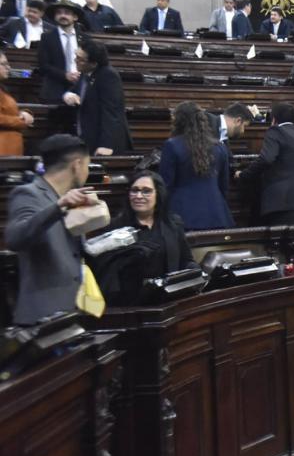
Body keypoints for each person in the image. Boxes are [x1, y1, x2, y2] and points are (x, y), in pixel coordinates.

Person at [5, 135, 99, 324]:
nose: (87, 172)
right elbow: (15, 238)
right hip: (42, 317)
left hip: (70, 313)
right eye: (88, 166)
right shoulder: (28, 193)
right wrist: (57, 207)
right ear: (77, 165)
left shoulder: (67, 199)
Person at [237, 102, 294, 226]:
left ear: (273, 120)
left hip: (285, 203)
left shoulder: (275, 131)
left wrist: (243, 175)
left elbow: (266, 159)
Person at [107, 170, 199, 283]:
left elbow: (186, 260)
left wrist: (196, 272)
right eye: (134, 190)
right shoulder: (116, 226)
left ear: (158, 194)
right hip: (133, 296)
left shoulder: (173, 223)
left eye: (146, 191)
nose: (138, 196)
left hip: (169, 293)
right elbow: (110, 273)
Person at [159, 102, 234, 231]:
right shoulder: (220, 147)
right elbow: (224, 186)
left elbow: (165, 184)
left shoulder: (172, 145)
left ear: (178, 121)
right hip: (217, 213)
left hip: (182, 214)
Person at [61, 37, 132, 156]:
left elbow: (111, 112)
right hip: (86, 135)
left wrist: (106, 144)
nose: (75, 60)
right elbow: (74, 91)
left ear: (94, 63)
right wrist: (68, 95)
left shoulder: (108, 75)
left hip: (103, 142)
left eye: (80, 59)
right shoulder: (85, 72)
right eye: (76, 56)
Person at [36, 0, 82, 103]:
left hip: (79, 87)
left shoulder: (84, 38)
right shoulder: (47, 37)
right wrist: (65, 75)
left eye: (66, 13)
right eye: (59, 13)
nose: (62, 16)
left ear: (75, 17)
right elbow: (43, 65)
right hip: (55, 88)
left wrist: (80, 75)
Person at [0, 51, 34, 155]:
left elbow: (7, 111)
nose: (8, 68)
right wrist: (21, 120)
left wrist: (23, 113)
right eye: (3, 64)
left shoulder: (2, 90)